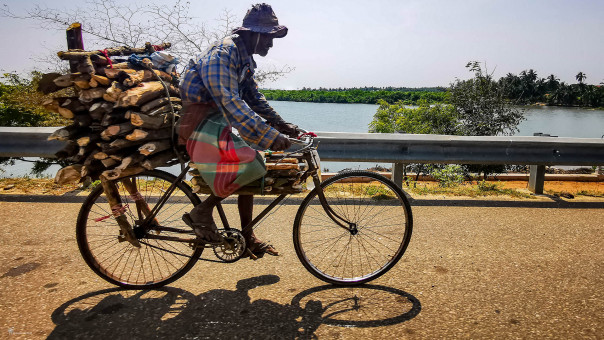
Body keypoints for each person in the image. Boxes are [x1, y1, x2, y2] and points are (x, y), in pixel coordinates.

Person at [179, 3, 298, 258]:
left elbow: (253, 97)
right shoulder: (222, 54)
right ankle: (203, 210)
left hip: (215, 123)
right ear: (252, 33)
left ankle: (247, 236)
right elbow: (228, 100)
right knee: (254, 165)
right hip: (200, 125)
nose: (270, 43)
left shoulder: (243, 58)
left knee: (251, 166)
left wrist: (280, 124)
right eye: (268, 36)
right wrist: (269, 136)